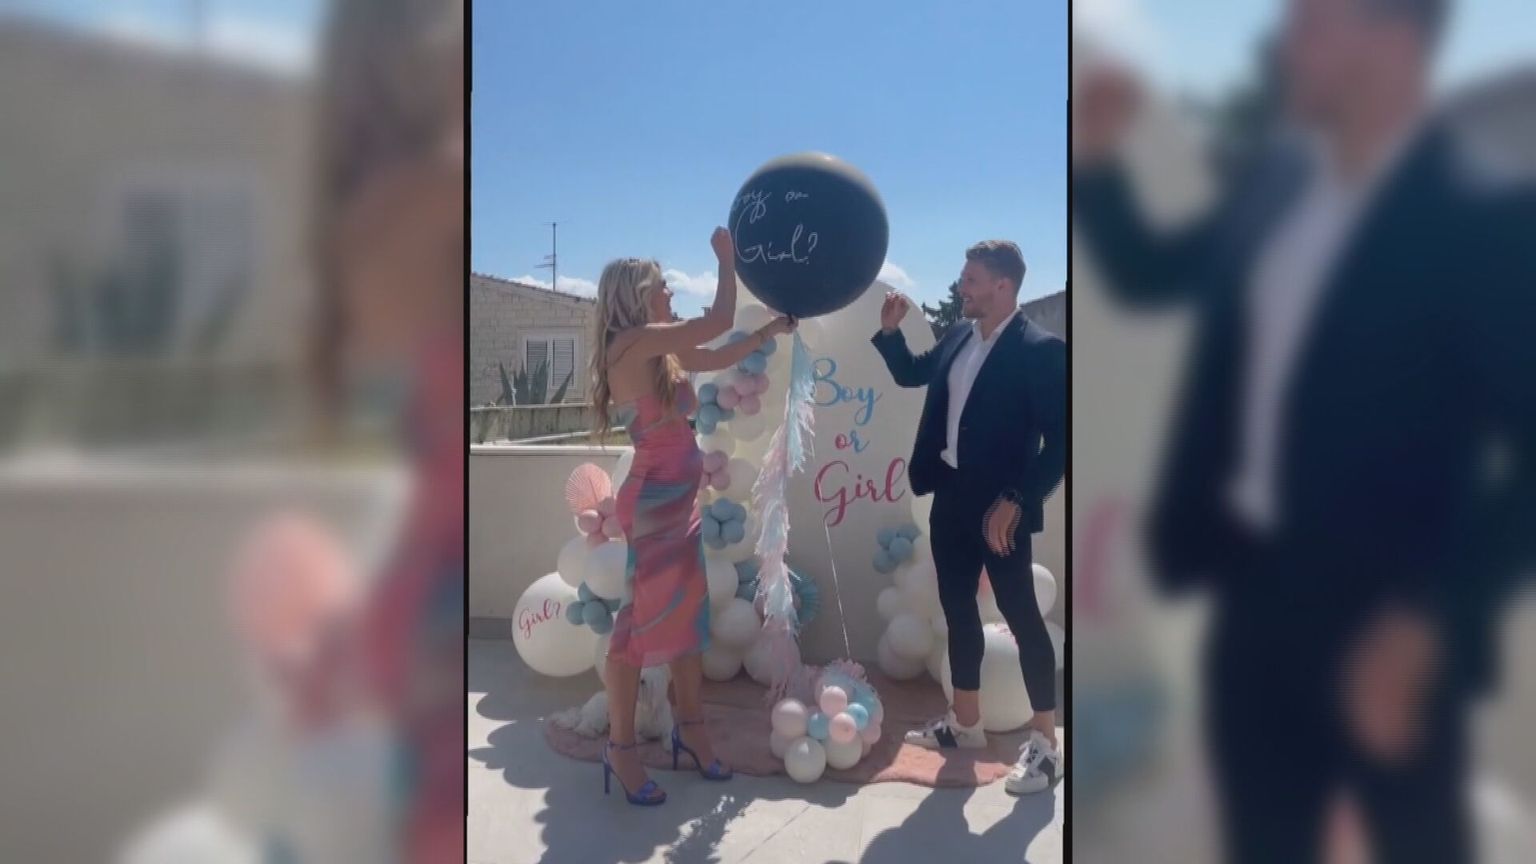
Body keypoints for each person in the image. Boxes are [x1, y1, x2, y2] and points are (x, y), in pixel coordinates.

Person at [1074, 0, 1536, 859]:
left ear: (1395, 38)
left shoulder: (1488, 217)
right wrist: (1097, 166)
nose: (1284, 47)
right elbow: (1150, 276)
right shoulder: (1277, 183)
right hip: (1250, 594)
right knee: (1265, 839)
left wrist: (1431, 621)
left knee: (1416, 843)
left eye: (1314, 26)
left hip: (1389, 626)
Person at [589, 227, 795, 805]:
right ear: (637, 296)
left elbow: (717, 353)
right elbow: (717, 320)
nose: (671, 293)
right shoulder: (632, 343)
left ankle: (693, 730)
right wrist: (727, 262)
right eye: (662, 287)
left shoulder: (657, 351)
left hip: (678, 505)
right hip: (654, 503)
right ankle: (621, 748)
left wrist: (769, 332)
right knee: (636, 628)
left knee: (686, 620)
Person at [871, 240, 1067, 796]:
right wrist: (890, 334)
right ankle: (966, 725)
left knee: (1021, 616)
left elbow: (1061, 443)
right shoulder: (958, 334)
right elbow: (912, 373)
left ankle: (1047, 745)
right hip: (951, 497)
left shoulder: (1042, 350)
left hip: (1001, 508)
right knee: (958, 610)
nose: (962, 287)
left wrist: (1019, 499)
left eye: (972, 279)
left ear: (1003, 285)